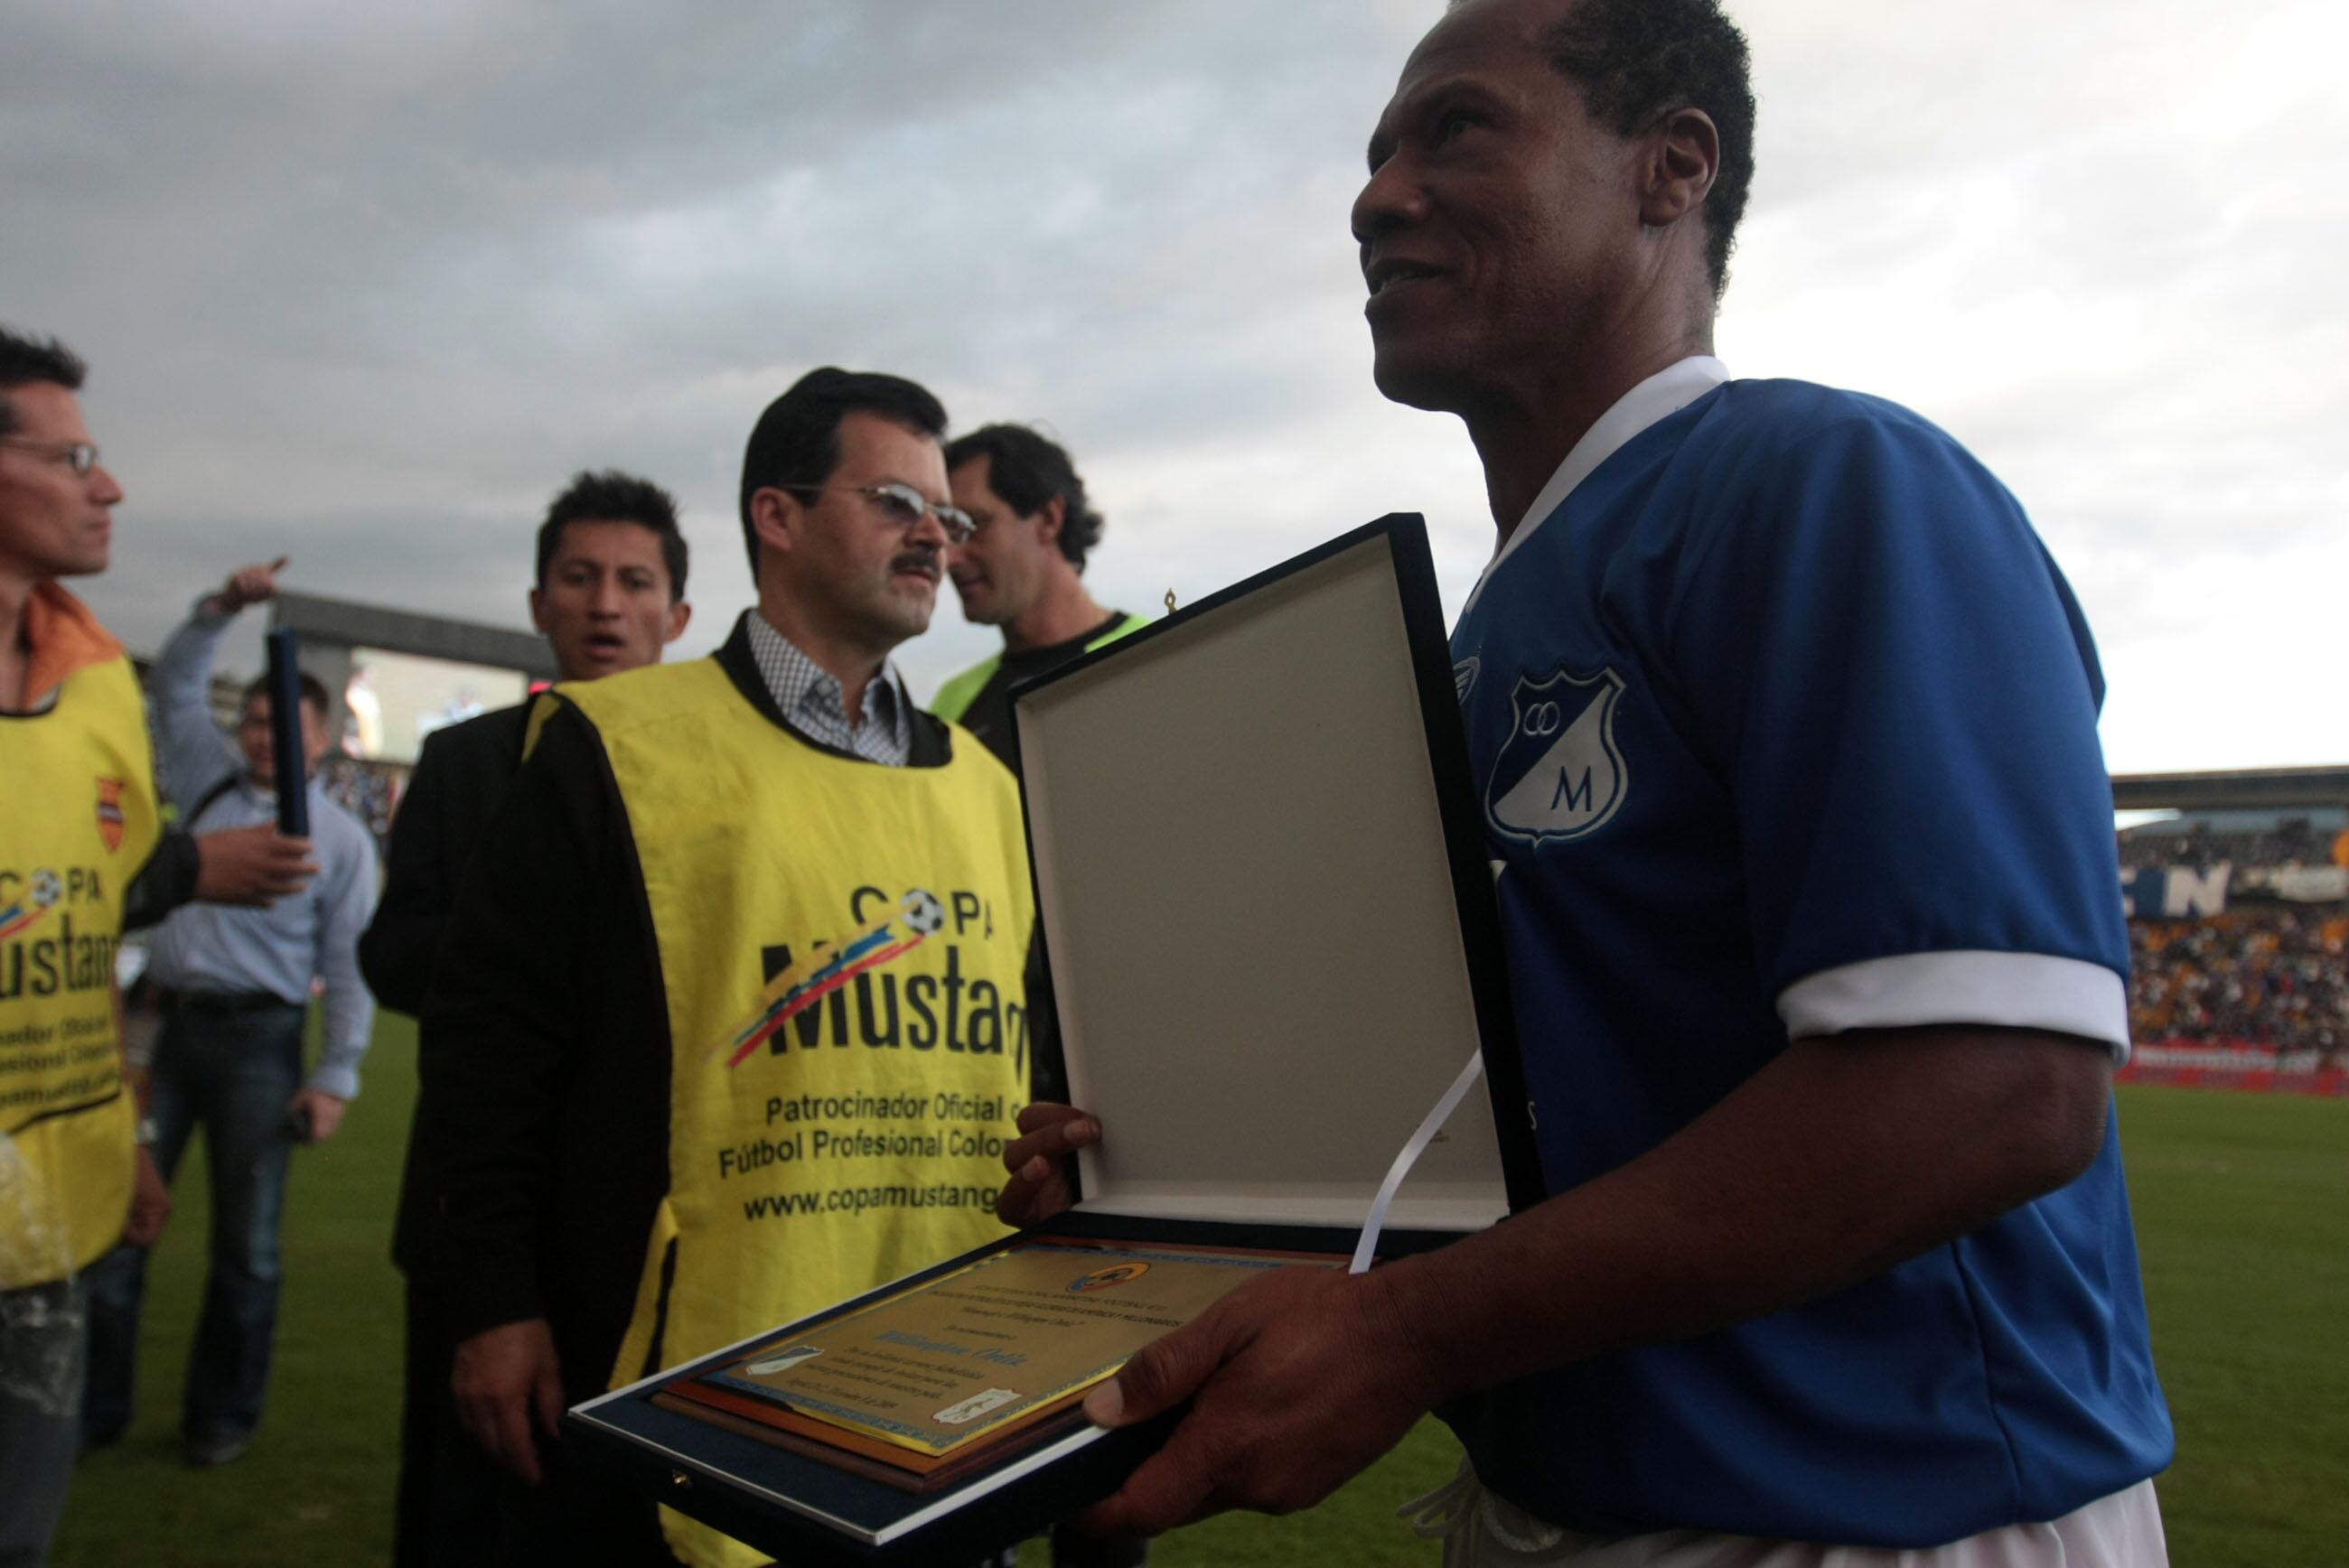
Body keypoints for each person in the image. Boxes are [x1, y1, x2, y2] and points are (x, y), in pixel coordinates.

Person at [1002, 2, 2172, 1563]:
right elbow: (1496, 1125)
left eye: (1456, 129)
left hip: (1886, 1512)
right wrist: (1162, 1184)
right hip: (1561, 1502)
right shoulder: (1486, 627)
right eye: (1372, 154)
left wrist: (1411, 1334)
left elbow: (1990, 1087)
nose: (1378, 193)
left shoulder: (1825, 484)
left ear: (1669, 170)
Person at [414, 368, 1036, 1567]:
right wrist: (495, 1301)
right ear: (777, 515)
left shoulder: (991, 789)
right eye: (897, 500)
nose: (933, 538)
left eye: (947, 518)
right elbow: (489, 1054)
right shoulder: (617, 749)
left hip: (952, 1384)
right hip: (673, 1381)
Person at [0, 328, 309, 1568]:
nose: (110, 485)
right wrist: (196, 871)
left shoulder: (93, 690)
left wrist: (121, 1136)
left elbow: (89, 951)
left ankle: (203, 1417)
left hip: (48, 1224)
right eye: (75, 456)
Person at [360, 469, 691, 1568]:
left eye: (633, 581)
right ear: (538, 602)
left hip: (657, 1219)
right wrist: (528, 959)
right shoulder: (460, 764)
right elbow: (392, 952)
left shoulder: (708, 776)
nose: (605, 604)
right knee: (461, 1489)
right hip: (471, 1202)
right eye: (580, 577)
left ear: (676, 616)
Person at [81, 557, 379, 1469]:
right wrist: (219, 609)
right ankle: (95, 1409)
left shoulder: (338, 836)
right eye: (254, 717)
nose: (264, 735)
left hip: (261, 1040)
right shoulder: (206, 781)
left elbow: (350, 963)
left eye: (286, 723)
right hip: (171, 1031)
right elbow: (173, 684)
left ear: (321, 736)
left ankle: (221, 1416)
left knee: (246, 1250)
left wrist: (334, 1074)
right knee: (120, 1222)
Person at [931, 425, 1146, 772]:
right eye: (947, 532)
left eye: (974, 524)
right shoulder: (952, 705)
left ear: (1048, 519)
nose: (950, 557)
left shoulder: (1158, 655)